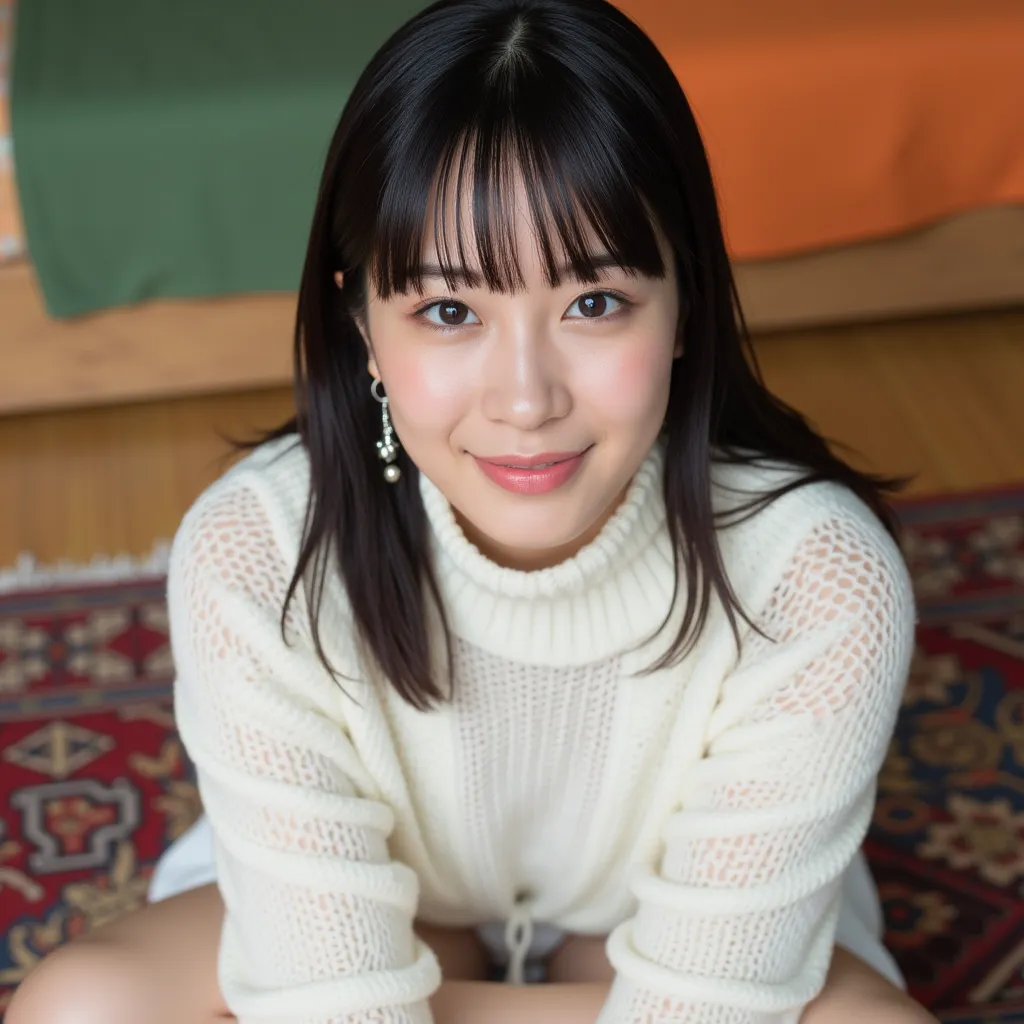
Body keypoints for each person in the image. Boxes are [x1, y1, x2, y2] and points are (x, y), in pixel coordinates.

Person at [8, 0, 938, 1021]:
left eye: (594, 302)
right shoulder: (257, 549)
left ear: (686, 305)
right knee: (82, 1008)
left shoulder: (817, 574)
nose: (526, 400)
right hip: (353, 905)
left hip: (689, 931)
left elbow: (707, 1004)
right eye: (449, 312)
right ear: (359, 317)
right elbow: (333, 999)